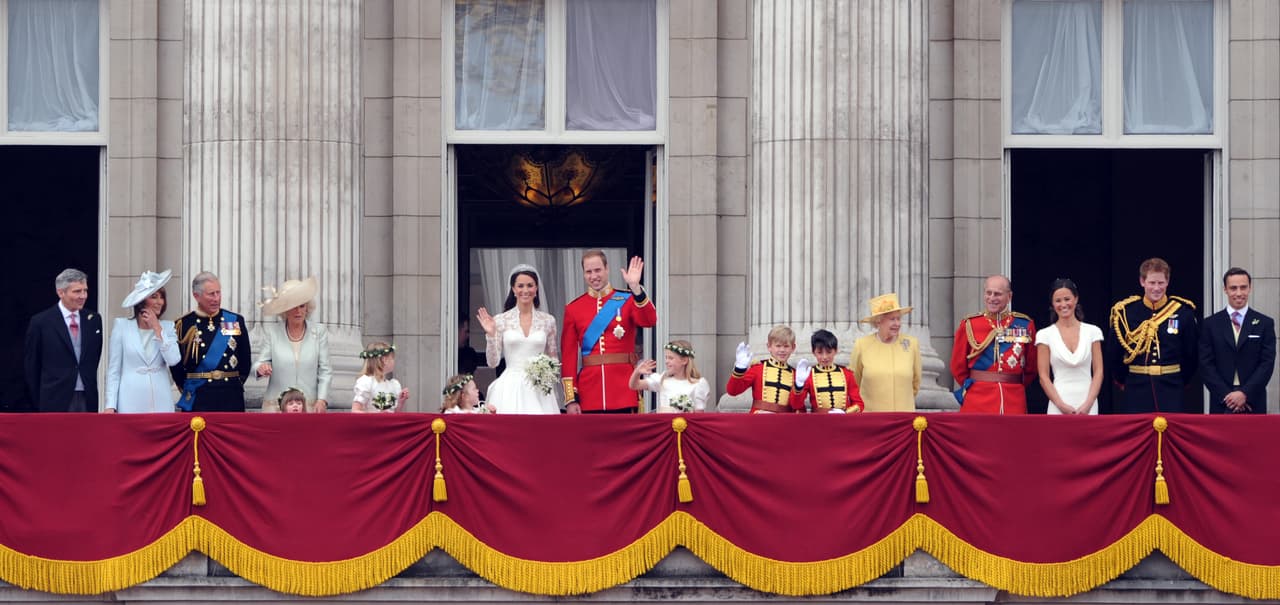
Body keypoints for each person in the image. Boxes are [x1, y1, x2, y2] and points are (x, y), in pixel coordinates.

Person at [560, 251, 658, 414]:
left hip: (623, 389)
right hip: (589, 393)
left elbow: (649, 320)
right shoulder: (573, 308)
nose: (594, 276)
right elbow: (569, 356)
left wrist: (635, 288)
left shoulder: (627, 299)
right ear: (583, 274)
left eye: (597, 270)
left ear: (607, 269)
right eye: (588, 272)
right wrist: (571, 398)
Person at [1107, 258, 1199, 414]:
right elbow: (1113, 353)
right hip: (1137, 388)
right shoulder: (1126, 312)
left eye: (1161, 283)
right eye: (1152, 283)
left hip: (1171, 387)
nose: (1156, 288)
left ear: (1167, 282)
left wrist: (1181, 380)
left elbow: (1191, 354)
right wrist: (1122, 380)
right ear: (1142, 281)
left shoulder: (1183, 312)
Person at [477, 265, 561, 414]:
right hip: (509, 386)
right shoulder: (501, 320)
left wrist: (548, 384)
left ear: (536, 289)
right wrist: (490, 335)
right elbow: (492, 362)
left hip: (539, 388)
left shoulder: (548, 321)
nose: (525, 290)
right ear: (513, 289)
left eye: (530, 285)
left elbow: (553, 360)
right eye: (520, 286)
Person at [950, 276, 1037, 414]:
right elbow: (957, 367)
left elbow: (1031, 368)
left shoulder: (1025, 325)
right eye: (988, 293)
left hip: (1013, 399)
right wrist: (977, 385)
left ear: (1009, 296)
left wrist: (1012, 383)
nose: (991, 298)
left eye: (997, 294)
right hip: (977, 399)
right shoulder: (970, 324)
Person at [24, 268, 103, 412]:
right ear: (61, 292)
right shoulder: (41, 322)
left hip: (87, 396)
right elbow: (32, 366)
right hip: (54, 397)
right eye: (77, 291)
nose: (83, 296)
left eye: (85, 290)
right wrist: (40, 399)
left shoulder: (94, 320)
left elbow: (94, 357)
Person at [172, 272, 252, 412]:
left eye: (218, 293)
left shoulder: (233, 320)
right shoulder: (183, 325)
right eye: (211, 294)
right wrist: (187, 387)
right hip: (199, 396)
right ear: (196, 296)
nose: (216, 298)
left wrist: (235, 384)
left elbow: (245, 360)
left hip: (230, 395)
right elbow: (176, 365)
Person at [1199, 267, 1275, 414]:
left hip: (1253, 400)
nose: (1239, 293)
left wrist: (1245, 394)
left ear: (1250, 288)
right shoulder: (1211, 324)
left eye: (1243, 287)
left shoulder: (1265, 323)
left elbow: (1267, 363)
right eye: (1233, 288)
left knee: (1253, 438)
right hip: (1222, 400)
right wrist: (1227, 397)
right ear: (1225, 289)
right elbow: (1206, 364)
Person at [254, 277, 333, 413]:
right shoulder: (272, 332)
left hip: (309, 406)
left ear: (307, 308)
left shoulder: (319, 332)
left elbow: (325, 370)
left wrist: (322, 399)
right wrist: (261, 368)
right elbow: (259, 363)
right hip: (276, 407)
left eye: (302, 306)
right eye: (293, 307)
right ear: (285, 310)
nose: (298, 311)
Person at [105, 270, 180, 413]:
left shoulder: (168, 327)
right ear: (142, 301)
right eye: (154, 297)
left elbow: (174, 359)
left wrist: (157, 328)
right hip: (130, 399)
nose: (159, 302)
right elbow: (114, 370)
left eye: (162, 297)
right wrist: (110, 405)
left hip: (160, 399)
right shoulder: (122, 326)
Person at [1034, 278, 1103, 415]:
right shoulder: (1044, 335)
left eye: (1067, 299)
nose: (1063, 304)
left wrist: (1088, 404)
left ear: (1076, 299)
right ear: (1053, 304)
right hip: (1058, 403)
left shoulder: (1093, 331)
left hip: (1088, 403)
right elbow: (1043, 376)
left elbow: (1099, 371)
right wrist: (1060, 405)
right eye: (1058, 301)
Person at [851, 293, 922, 412]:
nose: (897, 324)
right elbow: (854, 382)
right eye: (892, 319)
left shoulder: (911, 344)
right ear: (878, 322)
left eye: (899, 319)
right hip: (872, 419)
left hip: (904, 418)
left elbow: (916, 382)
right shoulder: (862, 345)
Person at [726, 325, 810, 414]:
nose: (782, 350)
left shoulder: (795, 374)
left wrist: (799, 386)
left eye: (786, 346)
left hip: (784, 423)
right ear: (769, 346)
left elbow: (797, 406)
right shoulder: (758, 369)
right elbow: (733, 391)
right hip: (759, 421)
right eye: (778, 346)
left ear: (793, 348)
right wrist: (740, 368)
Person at [629, 340, 711, 413]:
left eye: (671, 358)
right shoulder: (662, 379)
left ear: (684, 360)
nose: (666, 361)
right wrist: (637, 372)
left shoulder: (698, 384)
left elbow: (699, 414)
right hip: (663, 426)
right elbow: (634, 385)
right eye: (666, 358)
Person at [796, 329, 865, 413]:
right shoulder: (809, 375)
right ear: (813, 352)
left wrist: (846, 412)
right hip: (818, 422)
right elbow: (796, 405)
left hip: (843, 422)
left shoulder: (847, 374)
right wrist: (798, 386)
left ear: (835, 351)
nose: (824, 357)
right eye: (820, 352)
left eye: (829, 352)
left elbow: (859, 403)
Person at [352, 342, 408, 413]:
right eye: (392, 358)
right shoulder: (367, 382)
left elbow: (394, 413)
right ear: (385, 360)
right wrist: (377, 417)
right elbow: (355, 410)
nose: (394, 361)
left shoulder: (394, 385)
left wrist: (400, 402)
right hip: (373, 423)